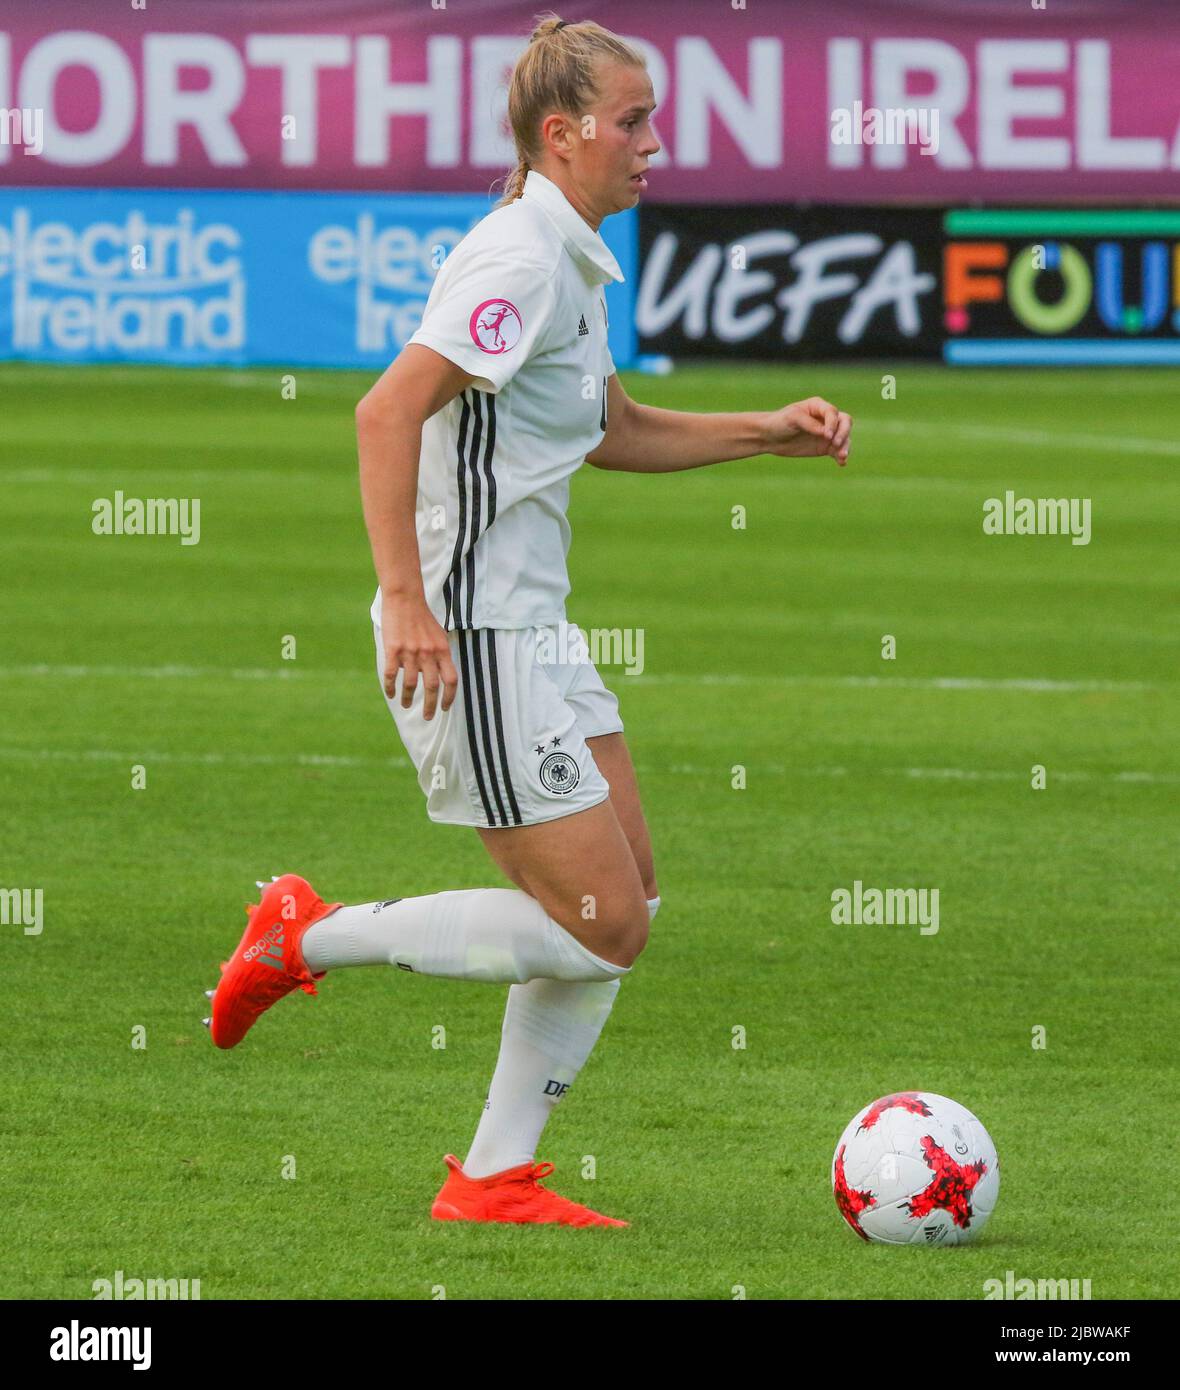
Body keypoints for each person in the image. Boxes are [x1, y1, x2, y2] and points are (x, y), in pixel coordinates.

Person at [205, 13, 852, 1228]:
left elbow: (606, 429)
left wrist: (764, 429)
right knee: (600, 928)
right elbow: (384, 413)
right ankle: (306, 934)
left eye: (651, 116)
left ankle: (492, 1177)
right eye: (632, 121)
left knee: (630, 903)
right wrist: (405, 597)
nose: (654, 141)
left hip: (535, 631)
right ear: (561, 137)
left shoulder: (573, 254)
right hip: (473, 633)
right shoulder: (520, 259)